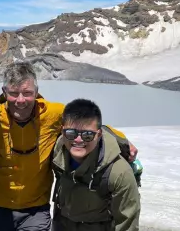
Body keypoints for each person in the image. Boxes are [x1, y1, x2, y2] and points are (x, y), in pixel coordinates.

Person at [0, 62, 139, 231]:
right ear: (4, 93)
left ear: (36, 91)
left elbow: (85, 123)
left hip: (36, 208)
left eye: (27, 93)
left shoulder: (53, 113)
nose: (20, 100)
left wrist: (122, 140)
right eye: (13, 93)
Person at [51, 98, 141, 231]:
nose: (78, 140)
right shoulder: (59, 151)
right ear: (62, 131)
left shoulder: (118, 172)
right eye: (71, 133)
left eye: (87, 135)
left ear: (99, 135)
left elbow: (127, 224)